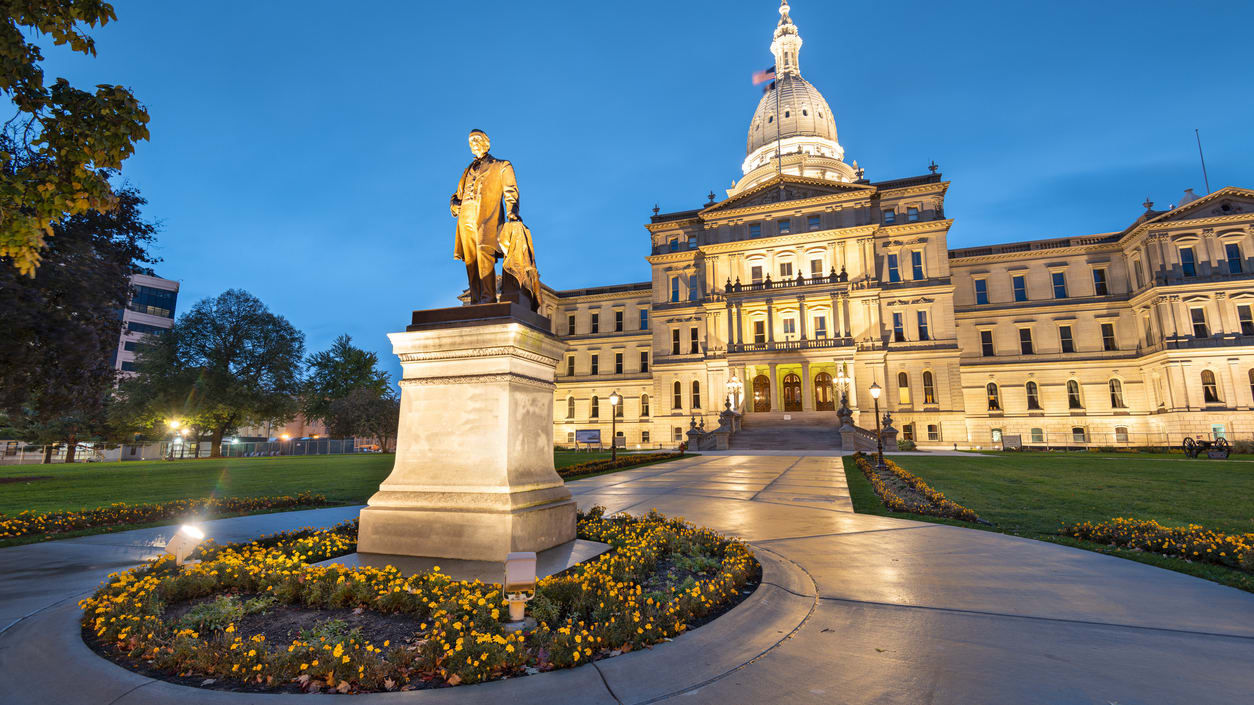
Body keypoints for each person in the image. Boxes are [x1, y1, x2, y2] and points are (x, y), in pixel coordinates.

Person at [450, 129, 518, 304]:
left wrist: (512, 213)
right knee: (471, 260)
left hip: (488, 217)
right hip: (466, 217)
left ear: (487, 143)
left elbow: (510, 191)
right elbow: (457, 194)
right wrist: (455, 204)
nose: (474, 143)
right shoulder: (467, 170)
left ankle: (488, 300)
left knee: (484, 254)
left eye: (477, 139)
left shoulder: (501, 165)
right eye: (471, 140)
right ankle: (474, 300)